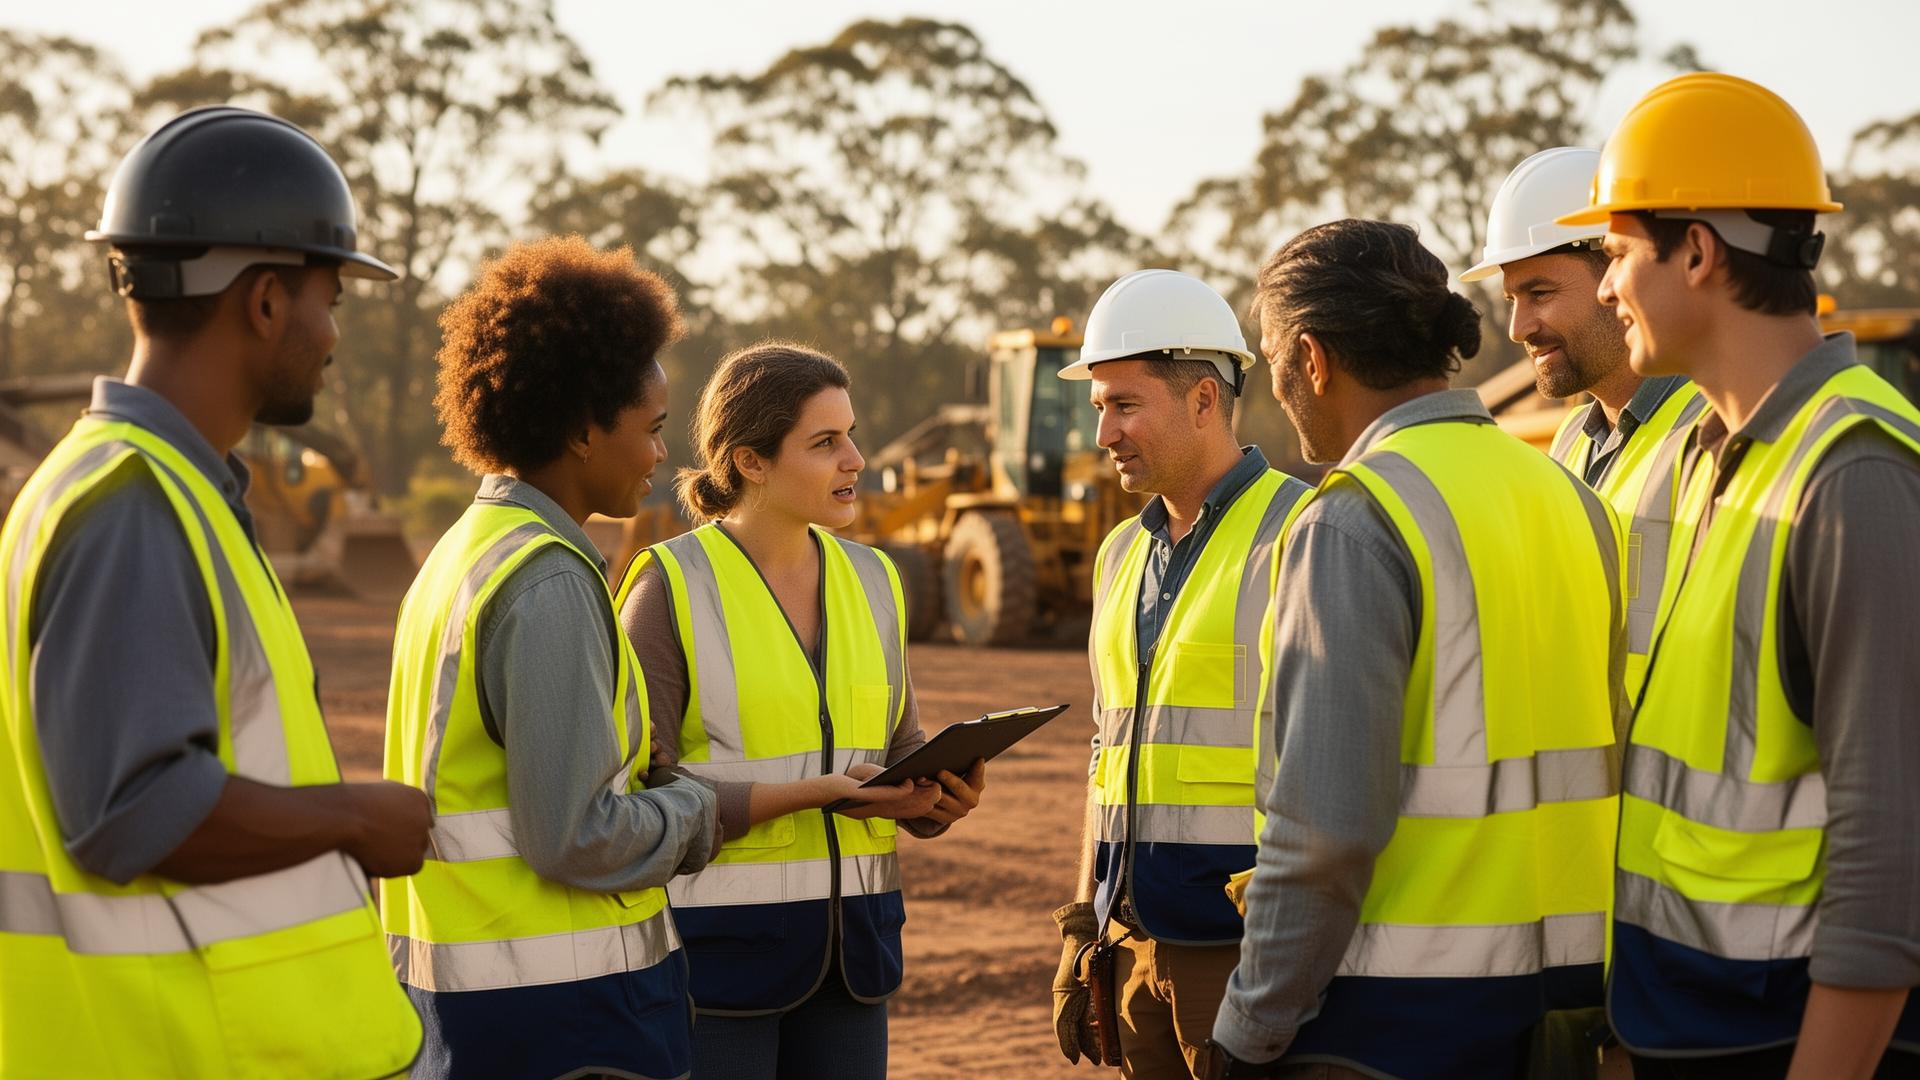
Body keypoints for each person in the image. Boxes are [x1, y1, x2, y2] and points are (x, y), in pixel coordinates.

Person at [0, 106, 427, 1076]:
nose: (333, 335)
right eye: (331, 300)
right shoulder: (134, 505)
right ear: (266, 302)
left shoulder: (135, 485)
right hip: (190, 1050)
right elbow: (132, 810)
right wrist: (356, 818)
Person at [1557, 72, 1920, 1079]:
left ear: (1698, 251)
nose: (1605, 289)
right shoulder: (1703, 455)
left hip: (1790, 1041)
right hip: (1686, 1025)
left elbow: (1889, 861)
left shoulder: (1854, 475)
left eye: (1617, 254)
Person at [1203, 220, 1625, 1080]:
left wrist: (1249, 1028)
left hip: (1399, 1022)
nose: (1278, 387)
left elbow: (1323, 835)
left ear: (1312, 358)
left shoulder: (1353, 519)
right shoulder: (1572, 498)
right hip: (1577, 1010)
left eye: (1275, 359)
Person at [383, 236, 718, 1079]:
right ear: (580, 431)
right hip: (565, 1023)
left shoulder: (462, 552)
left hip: (460, 1012)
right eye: (652, 430)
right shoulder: (549, 579)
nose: (661, 456)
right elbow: (576, 836)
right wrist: (692, 807)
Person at [616, 341, 986, 1079]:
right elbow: (636, 791)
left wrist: (932, 799)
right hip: (715, 968)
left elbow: (899, 744)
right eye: (825, 443)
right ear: (750, 461)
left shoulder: (876, 578)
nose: (855, 459)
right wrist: (814, 794)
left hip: (855, 962)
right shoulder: (670, 586)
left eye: (851, 435)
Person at [1049, 269, 1315, 1078]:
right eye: (1099, 407)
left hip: (1244, 956)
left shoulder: (1302, 532)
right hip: (1129, 947)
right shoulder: (1119, 554)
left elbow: (1334, 758)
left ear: (1204, 399)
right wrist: (1082, 925)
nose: (1105, 432)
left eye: (1125, 406)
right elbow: (1108, 753)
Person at [1463, 147, 1706, 700]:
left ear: (1617, 273)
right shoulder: (1572, 439)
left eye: (1540, 293)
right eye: (1512, 298)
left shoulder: (1712, 431)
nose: (1519, 327)